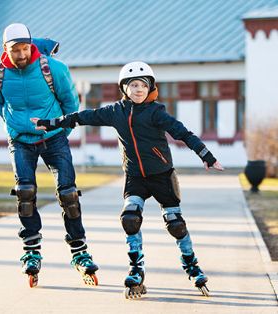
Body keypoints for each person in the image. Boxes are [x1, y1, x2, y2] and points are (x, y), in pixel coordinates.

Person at [32, 61, 224, 297]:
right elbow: (82, 117)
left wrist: (206, 155)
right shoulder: (115, 112)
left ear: (150, 87)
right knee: (130, 219)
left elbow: (183, 133)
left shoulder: (157, 112)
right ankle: (136, 269)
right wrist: (50, 123)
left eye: (142, 85)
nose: (138, 90)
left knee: (175, 224)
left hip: (162, 176)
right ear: (124, 88)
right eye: (133, 85)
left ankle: (192, 266)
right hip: (135, 177)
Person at [0, 23, 98, 287]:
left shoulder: (53, 68)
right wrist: (16, 127)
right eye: (16, 49)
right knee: (25, 192)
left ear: (31, 45)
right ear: (5, 49)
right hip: (21, 141)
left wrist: (61, 130)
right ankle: (31, 251)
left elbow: (71, 103)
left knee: (68, 193)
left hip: (54, 137)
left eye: (25, 48)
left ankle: (79, 251)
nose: (22, 53)